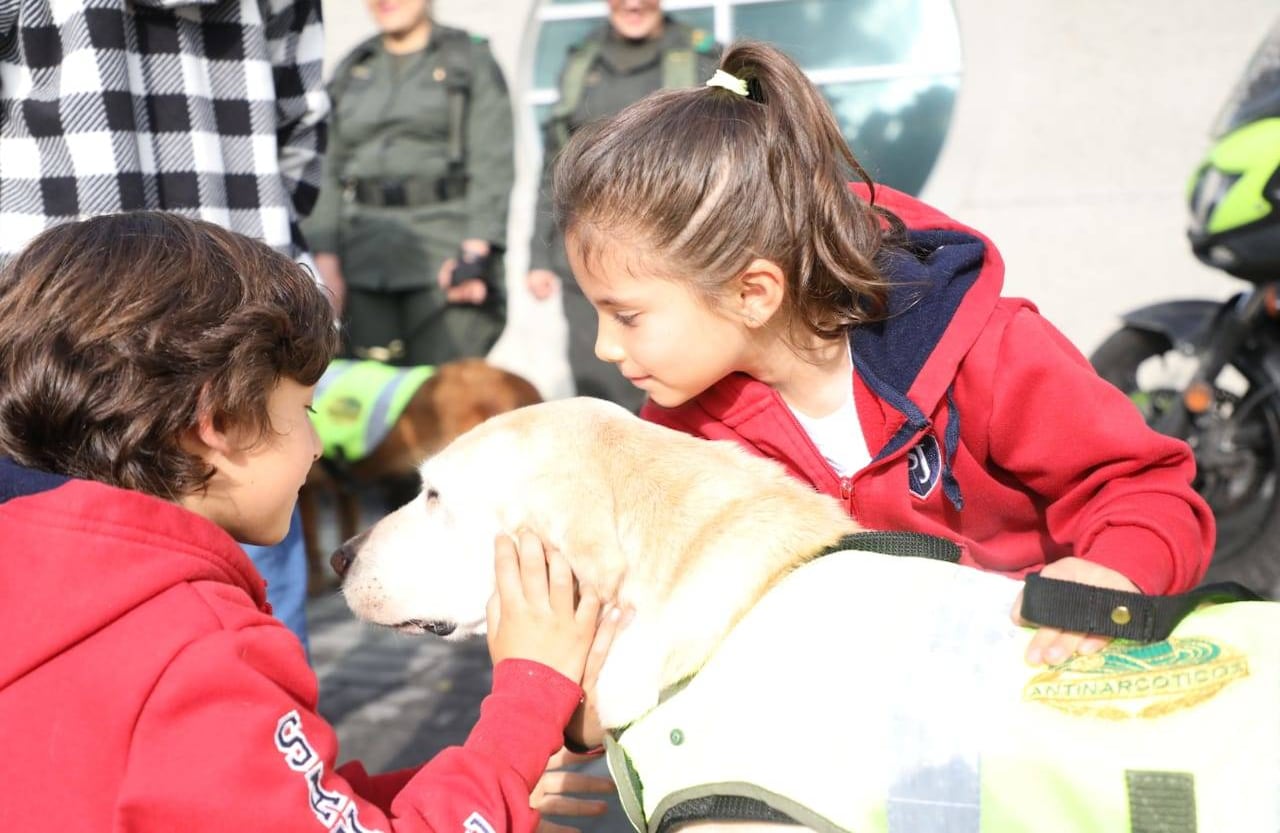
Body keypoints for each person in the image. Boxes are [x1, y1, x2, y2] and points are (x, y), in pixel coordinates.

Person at [550, 41, 1218, 669]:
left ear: (753, 292)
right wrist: (565, 714)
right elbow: (647, 595)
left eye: (627, 315)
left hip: (1037, 681)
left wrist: (1115, 571)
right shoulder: (682, 432)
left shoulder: (987, 348)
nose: (607, 347)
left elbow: (1144, 488)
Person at [0, 212, 620, 830]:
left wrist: (485, 781)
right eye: (305, 408)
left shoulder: (45, 586)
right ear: (216, 425)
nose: (318, 445)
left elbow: (261, 805)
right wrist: (526, 701)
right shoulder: (201, 649)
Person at [0, 0, 331, 647]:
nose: (320, 448)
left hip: (59, 328)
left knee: (49, 625)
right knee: (255, 622)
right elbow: (303, 118)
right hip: (247, 302)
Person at [526, 0, 719, 412]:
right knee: (598, 391)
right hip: (583, 261)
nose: (633, 4)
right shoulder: (581, 60)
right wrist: (537, 256)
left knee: (675, 394)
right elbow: (553, 166)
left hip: (672, 255)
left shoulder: (702, 55)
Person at [303, 0, 513, 367]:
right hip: (364, 259)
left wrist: (476, 254)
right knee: (372, 399)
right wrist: (325, 260)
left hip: (444, 254)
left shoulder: (468, 60)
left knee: (443, 396)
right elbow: (327, 166)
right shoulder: (354, 67)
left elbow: (491, 161)